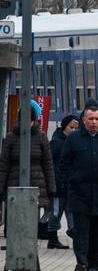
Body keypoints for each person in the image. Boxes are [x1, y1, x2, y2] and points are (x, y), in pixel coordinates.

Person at [59, 105, 98, 271]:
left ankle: (94, 265)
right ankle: (82, 263)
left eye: (97, 119)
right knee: (81, 231)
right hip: (80, 194)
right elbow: (64, 163)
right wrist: (72, 179)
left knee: (97, 232)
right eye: (91, 119)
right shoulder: (74, 139)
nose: (94, 122)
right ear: (84, 120)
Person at [0, 101, 57, 246]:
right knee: (15, 218)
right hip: (14, 184)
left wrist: (51, 188)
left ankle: (30, 247)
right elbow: (4, 165)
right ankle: (15, 247)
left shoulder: (41, 137)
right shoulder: (11, 138)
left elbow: (48, 164)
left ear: (34, 120)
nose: (27, 124)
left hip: (37, 184)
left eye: (30, 121)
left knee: (32, 218)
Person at [48, 114, 79, 249]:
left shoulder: (72, 142)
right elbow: (51, 164)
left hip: (69, 184)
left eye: (76, 128)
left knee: (71, 210)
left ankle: (73, 231)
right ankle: (52, 238)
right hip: (58, 184)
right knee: (56, 212)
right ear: (64, 127)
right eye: (71, 127)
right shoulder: (56, 143)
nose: (73, 130)